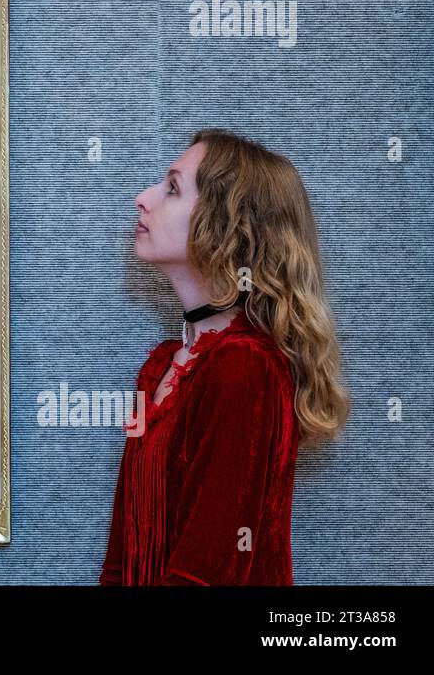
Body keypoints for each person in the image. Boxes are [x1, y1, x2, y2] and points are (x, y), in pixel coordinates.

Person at [100, 128, 350, 585]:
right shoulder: (160, 367)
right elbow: (123, 555)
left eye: (172, 188)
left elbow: (208, 571)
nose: (142, 198)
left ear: (227, 226)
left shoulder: (243, 369)